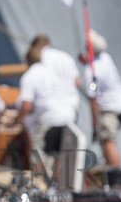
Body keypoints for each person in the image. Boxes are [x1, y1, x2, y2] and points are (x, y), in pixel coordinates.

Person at [17, 38, 83, 189]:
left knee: (38, 157)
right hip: (67, 117)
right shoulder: (55, 71)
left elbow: (26, 106)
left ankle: (42, 189)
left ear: (27, 61)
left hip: (47, 120)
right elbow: (76, 84)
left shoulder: (30, 76)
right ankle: (58, 188)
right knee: (60, 156)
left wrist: (18, 120)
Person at [82, 30, 121, 170]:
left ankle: (116, 175)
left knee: (107, 141)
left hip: (110, 109)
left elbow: (93, 97)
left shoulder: (91, 71)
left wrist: (94, 123)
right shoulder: (106, 58)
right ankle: (111, 172)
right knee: (106, 141)